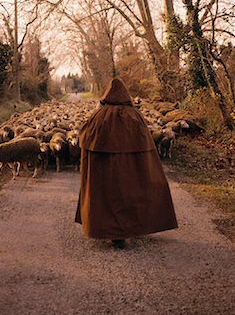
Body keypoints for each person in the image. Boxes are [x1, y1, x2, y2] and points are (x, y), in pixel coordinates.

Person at [75, 77, 178, 249]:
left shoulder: (99, 116)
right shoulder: (134, 115)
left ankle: (112, 232)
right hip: (129, 168)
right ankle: (132, 228)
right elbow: (148, 144)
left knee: (107, 196)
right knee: (130, 192)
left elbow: (84, 138)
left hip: (105, 169)